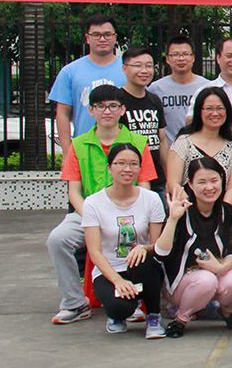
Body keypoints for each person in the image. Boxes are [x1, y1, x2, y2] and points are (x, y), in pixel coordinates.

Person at [48, 85, 156, 325]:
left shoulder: (138, 142)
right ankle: (74, 302)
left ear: (122, 110)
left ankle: (135, 299)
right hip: (87, 213)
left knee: (135, 237)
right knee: (58, 239)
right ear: (91, 110)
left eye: (113, 106)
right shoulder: (79, 144)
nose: (107, 111)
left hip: (129, 213)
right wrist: (93, 218)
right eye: (101, 106)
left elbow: (145, 187)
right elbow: (74, 192)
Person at [82, 143, 166, 338]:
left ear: (139, 168)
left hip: (140, 267)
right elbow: (94, 252)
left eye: (133, 164)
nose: (127, 169)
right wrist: (117, 280)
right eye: (121, 163)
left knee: (147, 261)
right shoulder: (93, 203)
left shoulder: (151, 199)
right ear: (109, 167)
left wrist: (144, 248)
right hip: (110, 270)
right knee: (119, 307)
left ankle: (154, 315)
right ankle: (117, 316)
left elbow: (157, 246)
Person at [154, 158, 232, 337]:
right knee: (206, 280)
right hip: (182, 283)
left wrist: (223, 266)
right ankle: (181, 318)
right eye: (202, 182)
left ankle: (228, 311)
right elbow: (160, 253)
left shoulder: (227, 211)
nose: (209, 187)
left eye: (214, 181)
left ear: (222, 181)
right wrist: (172, 219)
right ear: (190, 184)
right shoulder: (181, 211)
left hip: (216, 275)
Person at [50, 14, 126, 152]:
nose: (102, 39)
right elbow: (62, 114)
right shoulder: (70, 72)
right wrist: (67, 151)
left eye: (107, 34)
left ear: (115, 37)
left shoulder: (128, 70)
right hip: (84, 149)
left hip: (124, 150)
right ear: (87, 38)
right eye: (96, 35)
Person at [167, 87, 232, 207]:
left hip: (221, 212)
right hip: (186, 209)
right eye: (209, 108)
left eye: (220, 108)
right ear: (199, 111)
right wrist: (195, 210)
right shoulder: (183, 143)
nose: (215, 113)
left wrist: (223, 211)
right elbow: (173, 183)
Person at [119, 46, 169, 202]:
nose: (144, 71)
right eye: (138, 65)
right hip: (129, 179)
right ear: (124, 69)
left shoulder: (154, 100)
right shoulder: (116, 101)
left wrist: (168, 177)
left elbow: (162, 140)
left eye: (149, 66)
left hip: (157, 179)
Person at [150, 35, 209, 143]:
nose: (181, 58)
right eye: (175, 54)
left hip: (201, 148)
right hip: (169, 149)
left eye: (185, 54)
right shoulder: (156, 88)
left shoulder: (206, 87)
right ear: (167, 59)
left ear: (193, 57)